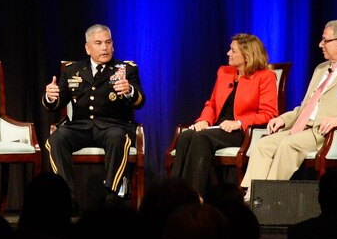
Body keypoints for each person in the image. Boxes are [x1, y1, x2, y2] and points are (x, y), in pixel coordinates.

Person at [240, 20, 337, 187]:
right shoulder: (321, 69)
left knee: (288, 145)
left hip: (326, 132)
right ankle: (249, 197)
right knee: (264, 144)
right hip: (302, 127)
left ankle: (268, 200)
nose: (320, 44)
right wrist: (284, 119)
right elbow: (306, 106)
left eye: (325, 40)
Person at [43, 24, 145, 205]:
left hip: (114, 126)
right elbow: (57, 103)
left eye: (108, 42)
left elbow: (140, 101)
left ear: (113, 45)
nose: (104, 47)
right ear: (88, 48)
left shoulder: (126, 69)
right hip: (81, 127)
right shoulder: (73, 70)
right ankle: (66, 198)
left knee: (117, 136)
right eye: (98, 43)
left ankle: (112, 196)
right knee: (56, 139)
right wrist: (51, 97)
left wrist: (129, 90)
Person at [170, 33, 278, 198]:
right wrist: (204, 120)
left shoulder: (265, 77)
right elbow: (212, 104)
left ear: (247, 55)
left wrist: (240, 122)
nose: (228, 53)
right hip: (217, 128)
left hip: (242, 132)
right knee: (186, 136)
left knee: (201, 138)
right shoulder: (224, 72)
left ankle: (197, 196)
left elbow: (269, 114)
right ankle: (176, 194)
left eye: (233, 51)